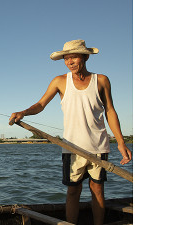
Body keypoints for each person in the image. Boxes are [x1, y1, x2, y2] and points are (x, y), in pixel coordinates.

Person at [9, 40, 132, 225]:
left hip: (98, 145)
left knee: (97, 190)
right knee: (73, 191)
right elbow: (41, 104)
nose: (69, 61)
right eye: (66, 58)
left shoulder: (102, 80)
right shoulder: (60, 81)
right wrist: (23, 112)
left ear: (85, 56)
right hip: (71, 147)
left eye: (73, 57)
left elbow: (110, 111)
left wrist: (121, 142)